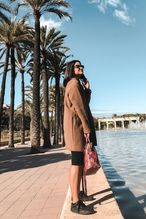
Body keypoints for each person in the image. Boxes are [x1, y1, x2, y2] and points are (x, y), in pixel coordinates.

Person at [63, 60, 97, 215]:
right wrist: (87, 128)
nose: (81, 68)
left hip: (77, 127)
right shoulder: (74, 84)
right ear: (71, 69)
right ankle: (75, 202)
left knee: (79, 163)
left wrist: (88, 91)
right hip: (75, 128)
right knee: (76, 163)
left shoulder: (77, 84)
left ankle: (79, 194)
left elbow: (85, 104)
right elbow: (80, 109)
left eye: (82, 66)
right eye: (77, 66)